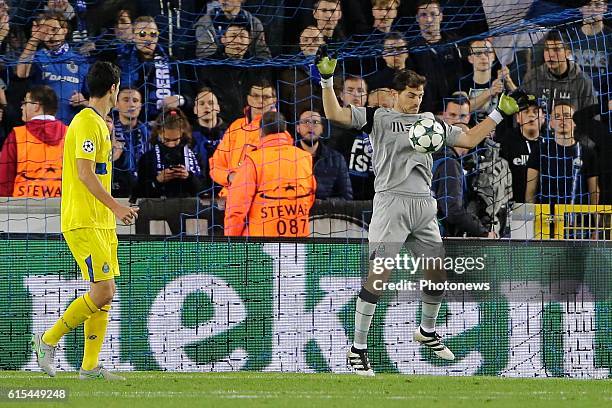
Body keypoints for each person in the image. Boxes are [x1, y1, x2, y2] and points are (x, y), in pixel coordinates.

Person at [315, 44, 528, 375]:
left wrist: (499, 112)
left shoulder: (430, 123)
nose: (416, 101)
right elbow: (335, 115)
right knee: (380, 276)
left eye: (420, 95)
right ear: (396, 94)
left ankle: (427, 331)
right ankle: (357, 348)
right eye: (411, 95)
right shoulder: (378, 117)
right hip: (390, 203)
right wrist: (327, 81)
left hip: (423, 206)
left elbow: (469, 139)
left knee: (437, 273)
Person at [30, 61, 138, 380]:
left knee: (105, 291)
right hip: (85, 219)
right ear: (114, 88)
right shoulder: (86, 122)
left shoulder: (100, 124)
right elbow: (84, 173)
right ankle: (47, 340)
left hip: (101, 221)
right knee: (103, 290)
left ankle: (90, 367)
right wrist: (117, 207)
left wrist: (111, 213)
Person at [224, 111, 316, 237]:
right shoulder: (304, 157)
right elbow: (310, 196)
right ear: (284, 131)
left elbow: (236, 208)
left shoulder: (253, 160)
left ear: (260, 132)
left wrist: (231, 242)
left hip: (260, 244)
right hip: (299, 239)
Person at [209, 79, 279, 200]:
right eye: (256, 96)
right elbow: (215, 165)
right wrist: (229, 177)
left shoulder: (278, 129)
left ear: (274, 100)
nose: (260, 101)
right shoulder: (236, 126)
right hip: (229, 198)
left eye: (266, 97)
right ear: (248, 99)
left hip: (260, 200)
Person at [16, 11, 89, 124]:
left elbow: (94, 99)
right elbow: (21, 73)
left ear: (65, 30)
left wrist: (84, 101)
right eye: (45, 32)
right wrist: (34, 39)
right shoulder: (37, 57)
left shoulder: (81, 61)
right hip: (42, 128)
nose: (50, 36)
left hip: (71, 128)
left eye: (54, 29)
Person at [117, 16, 192, 121]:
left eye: (153, 34)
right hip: (135, 126)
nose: (148, 39)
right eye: (142, 34)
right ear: (133, 36)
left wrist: (180, 99)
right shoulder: (122, 63)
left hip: (171, 123)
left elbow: (190, 97)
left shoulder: (172, 62)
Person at [526, 102, 599, 206]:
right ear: (551, 123)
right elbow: (530, 191)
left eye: (567, 116)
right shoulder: (539, 150)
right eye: (557, 116)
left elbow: (594, 192)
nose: (562, 120)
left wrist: (596, 220)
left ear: (575, 122)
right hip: (545, 218)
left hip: (577, 219)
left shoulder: (588, 153)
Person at [0, 85, 67, 197]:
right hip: (62, 206)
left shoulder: (17, 135)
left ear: (36, 106)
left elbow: (4, 181)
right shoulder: (69, 133)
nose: (22, 107)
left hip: (20, 209)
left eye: (25, 103)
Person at [432, 123, 494, 238]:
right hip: (438, 236)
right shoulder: (449, 164)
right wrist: (483, 232)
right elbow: (453, 212)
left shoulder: (431, 158)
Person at [132, 108, 207, 201]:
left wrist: (188, 177)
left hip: (188, 209)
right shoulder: (147, 158)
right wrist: (157, 181)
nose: (171, 144)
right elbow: (138, 192)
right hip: (156, 211)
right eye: (166, 139)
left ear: (182, 133)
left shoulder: (195, 156)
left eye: (175, 140)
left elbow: (204, 191)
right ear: (159, 133)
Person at [410, 0, 464, 113]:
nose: (429, 20)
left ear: (441, 16)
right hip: (428, 113)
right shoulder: (412, 50)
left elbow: (463, 74)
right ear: (417, 18)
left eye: (433, 14)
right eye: (423, 15)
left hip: (457, 110)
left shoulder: (454, 43)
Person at [523, 31, 598, 112]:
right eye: (547, 49)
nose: (551, 54)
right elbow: (521, 112)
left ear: (567, 53)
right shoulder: (532, 77)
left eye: (556, 50)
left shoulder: (583, 81)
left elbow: (593, 117)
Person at [327, 74, 375, 200]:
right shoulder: (329, 126)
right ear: (341, 95)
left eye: (360, 91)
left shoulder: (375, 126)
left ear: (366, 96)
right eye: (350, 90)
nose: (355, 95)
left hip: (371, 199)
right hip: (339, 199)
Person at [495, 97, 545, 203]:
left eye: (535, 112)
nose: (531, 115)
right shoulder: (507, 142)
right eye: (526, 111)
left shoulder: (549, 145)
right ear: (518, 118)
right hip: (513, 206)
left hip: (544, 207)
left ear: (543, 118)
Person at [297, 109, 352, 200]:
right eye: (306, 122)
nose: (310, 126)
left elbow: (346, 196)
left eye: (315, 122)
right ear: (297, 128)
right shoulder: (286, 157)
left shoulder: (336, 159)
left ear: (322, 128)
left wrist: (322, 206)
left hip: (327, 212)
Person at [459, 39, 517, 123]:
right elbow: (460, 110)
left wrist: (509, 82)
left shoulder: (502, 83)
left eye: (487, 52)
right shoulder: (461, 84)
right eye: (478, 53)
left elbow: (523, 105)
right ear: (470, 59)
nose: (483, 57)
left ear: (493, 56)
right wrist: (490, 92)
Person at [567, 0, 611, 103]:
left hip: (604, 101)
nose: (592, 8)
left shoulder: (610, 37)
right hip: (573, 100)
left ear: (605, 8)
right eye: (587, 4)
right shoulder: (568, 36)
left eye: (597, 4)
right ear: (580, 7)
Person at [194, 0, 271, 59]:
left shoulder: (254, 23)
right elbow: (204, 56)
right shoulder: (205, 23)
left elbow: (263, 55)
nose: (223, 0)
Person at [112, 87, 150, 177]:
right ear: (116, 105)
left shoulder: (149, 133)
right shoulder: (108, 130)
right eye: (126, 100)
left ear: (140, 106)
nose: (131, 105)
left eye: (135, 100)